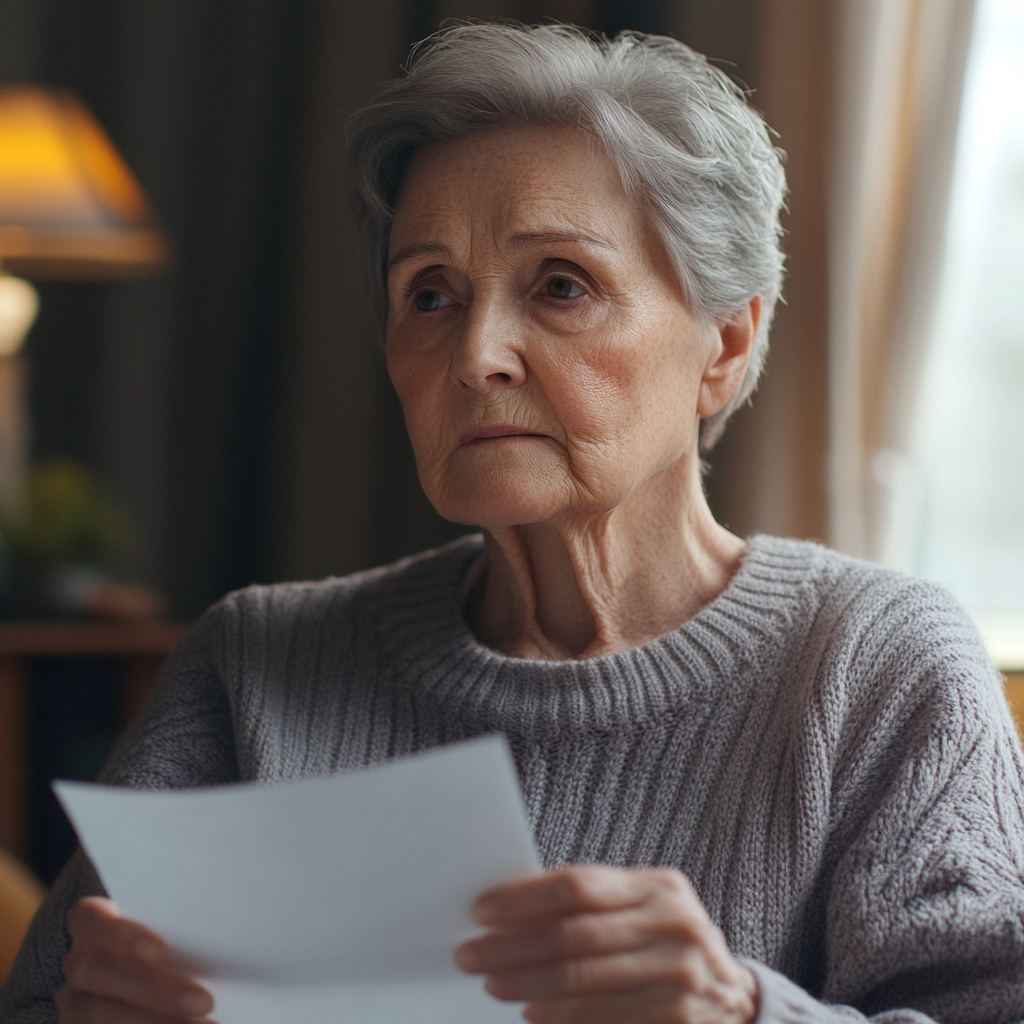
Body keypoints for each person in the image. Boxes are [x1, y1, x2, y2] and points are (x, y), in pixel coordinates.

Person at [3, 22, 1023, 1024]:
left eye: (561, 285)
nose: (475, 352)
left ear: (723, 343)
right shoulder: (252, 661)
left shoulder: (878, 666)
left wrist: (742, 1013)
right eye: (431, 294)